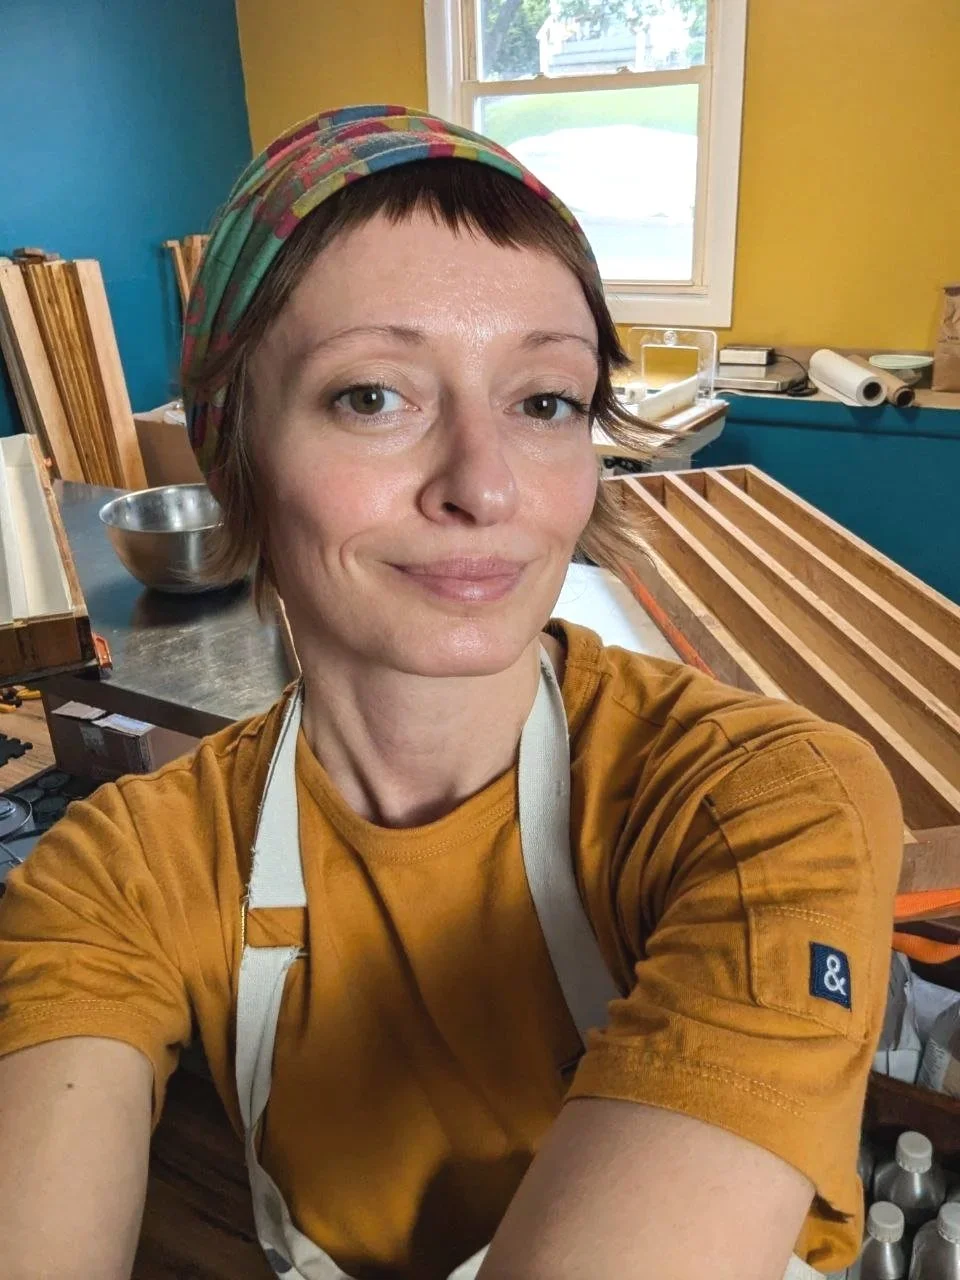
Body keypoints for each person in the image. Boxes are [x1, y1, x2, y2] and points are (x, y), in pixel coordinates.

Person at [0, 105, 901, 1280]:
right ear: (236, 455)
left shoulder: (760, 802)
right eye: (373, 395)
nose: (487, 485)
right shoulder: (121, 870)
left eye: (544, 400)